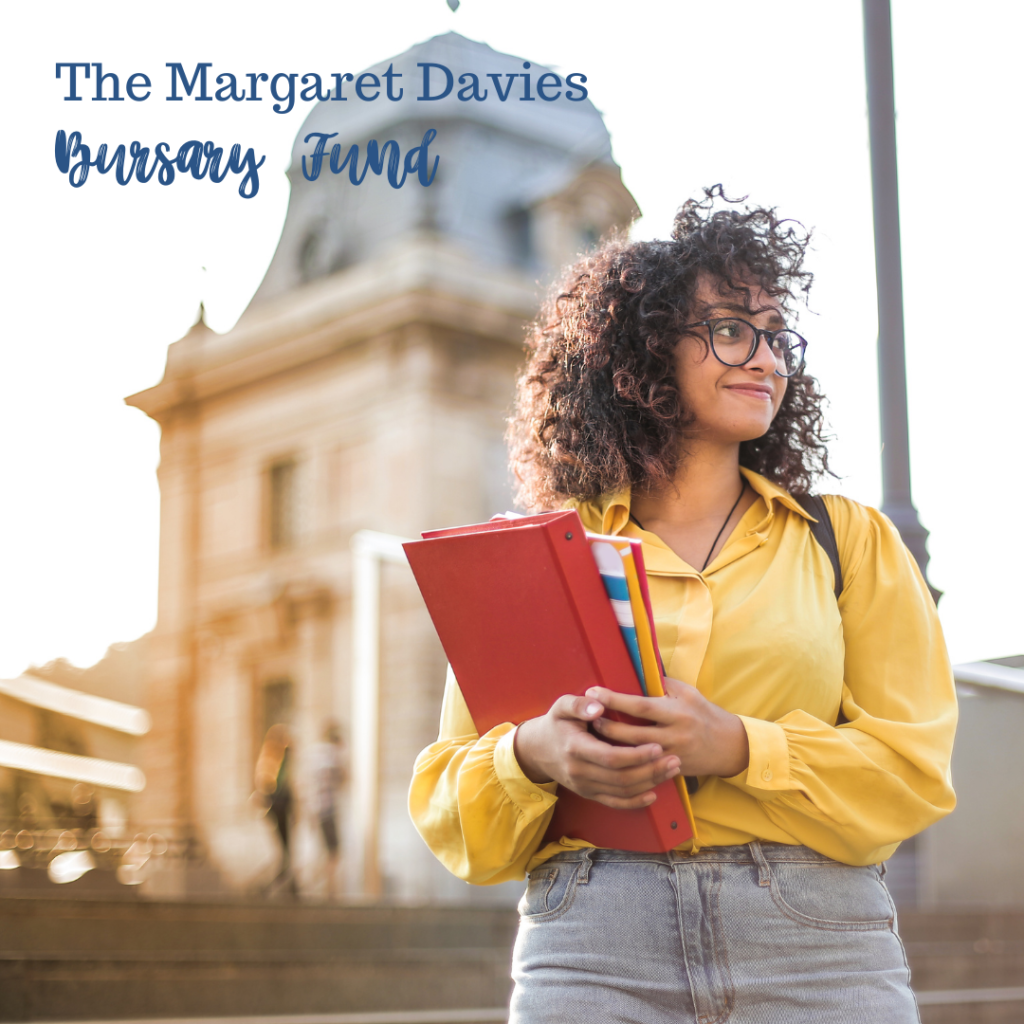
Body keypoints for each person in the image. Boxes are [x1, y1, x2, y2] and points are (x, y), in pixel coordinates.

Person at [408, 188, 957, 1024]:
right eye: (732, 329)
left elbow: (913, 773)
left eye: (778, 337)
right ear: (642, 350)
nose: (767, 358)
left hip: (816, 940)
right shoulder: (542, 555)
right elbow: (455, 808)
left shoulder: (848, 541)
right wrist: (532, 755)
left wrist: (739, 745)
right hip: (593, 940)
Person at [306, 721, 347, 899]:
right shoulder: (332, 755)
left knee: (323, 849)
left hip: (314, 808)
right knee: (333, 851)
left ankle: (323, 887)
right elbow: (342, 778)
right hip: (327, 809)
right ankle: (328, 889)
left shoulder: (314, 754)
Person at [255, 723, 297, 895]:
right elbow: (265, 784)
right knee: (283, 847)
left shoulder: (283, 760)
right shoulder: (270, 759)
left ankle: (290, 883)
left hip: (283, 807)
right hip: (277, 806)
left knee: (286, 847)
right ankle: (281, 882)